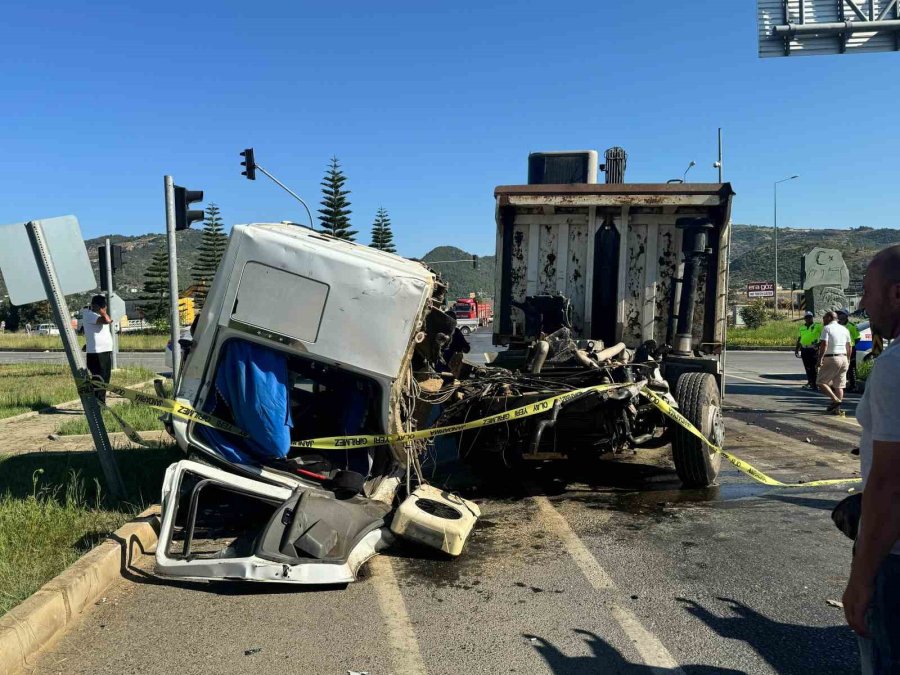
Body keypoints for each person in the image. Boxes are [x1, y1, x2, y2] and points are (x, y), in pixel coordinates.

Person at [842, 245, 900, 672]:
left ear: (896, 294)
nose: (862, 303)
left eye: (867, 290)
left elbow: (891, 485)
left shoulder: (895, 367)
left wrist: (861, 580)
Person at [817, 310, 852, 414]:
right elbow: (849, 346)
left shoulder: (827, 328)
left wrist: (820, 359)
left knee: (821, 382)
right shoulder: (844, 329)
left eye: (824, 318)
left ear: (829, 318)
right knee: (839, 385)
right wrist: (848, 359)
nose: (823, 320)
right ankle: (837, 410)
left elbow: (824, 344)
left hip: (832, 358)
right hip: (844, 358)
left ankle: (835, 400)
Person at [82, 294, 113, 403]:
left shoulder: (95, 314)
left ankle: (100, 402)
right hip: (97, 353)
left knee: (105, 379)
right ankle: (97, 403)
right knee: (99, 379)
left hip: (104, 351)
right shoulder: (89, 314)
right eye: (102, 306)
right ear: (94, 306)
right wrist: (103, 312)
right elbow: (107, 321)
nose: (104, 309)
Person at [795, 310, 822, 389]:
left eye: (810, 317)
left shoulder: (818, 326)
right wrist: (797, 349)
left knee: (814, 367)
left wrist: (819, 344)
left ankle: (815, 383)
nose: (808, 319)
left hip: (813, 349)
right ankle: (810, 382)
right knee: (807, 367)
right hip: (804, 349)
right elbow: (800, 338)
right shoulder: (802, 327)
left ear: (812, 318)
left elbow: (823, 337)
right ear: (804, 319)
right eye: (807, 317)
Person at [838, 308, 862, 392]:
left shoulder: (851, 326)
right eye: (838, 314)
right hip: (839, 349)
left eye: (841, 314)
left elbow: (857, 338)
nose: (839, 315)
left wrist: (850, 345)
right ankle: (842, 385)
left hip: (850, 350)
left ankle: (853, 385)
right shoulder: (836, 325)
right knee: (840, 368)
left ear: (846, 315)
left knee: (851, 368)